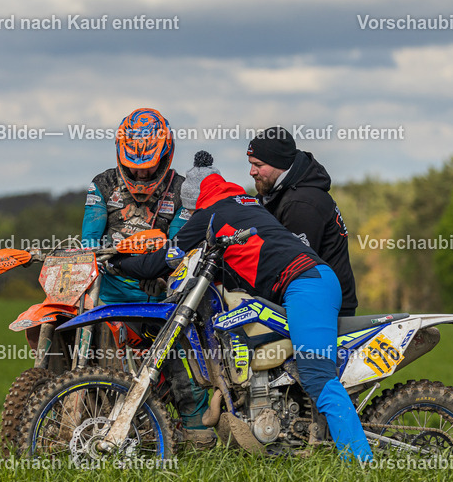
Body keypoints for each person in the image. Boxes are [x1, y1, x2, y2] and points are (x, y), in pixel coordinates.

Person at [110, 159, 374, 463]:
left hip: (306, 283)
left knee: (317, 374)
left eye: (190, 210)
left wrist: (114, 264)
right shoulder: (247, 203)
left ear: (194, 201)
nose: (190, 216)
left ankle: (361, 464)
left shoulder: (211, 213)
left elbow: (158, 261)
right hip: (305, 282)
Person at [82, 109, 213, 448]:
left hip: (163, 297)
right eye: (133, 168)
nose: (140, 176)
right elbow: (88, 244)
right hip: (108, 297)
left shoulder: (183, 189)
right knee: (92, 359)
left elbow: (179, 246)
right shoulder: (102, 185)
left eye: (149, 168)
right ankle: (76, 422)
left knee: (182, 359)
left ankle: (197, 432)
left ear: (166, 156)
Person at [246, 127, 359, 316]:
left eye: (258, 165)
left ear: (279, 163)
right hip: (309, 294)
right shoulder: (276, 193)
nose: (251, 172)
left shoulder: (302, 203)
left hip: (324, 303)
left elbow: (294, 266)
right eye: (250, 164)